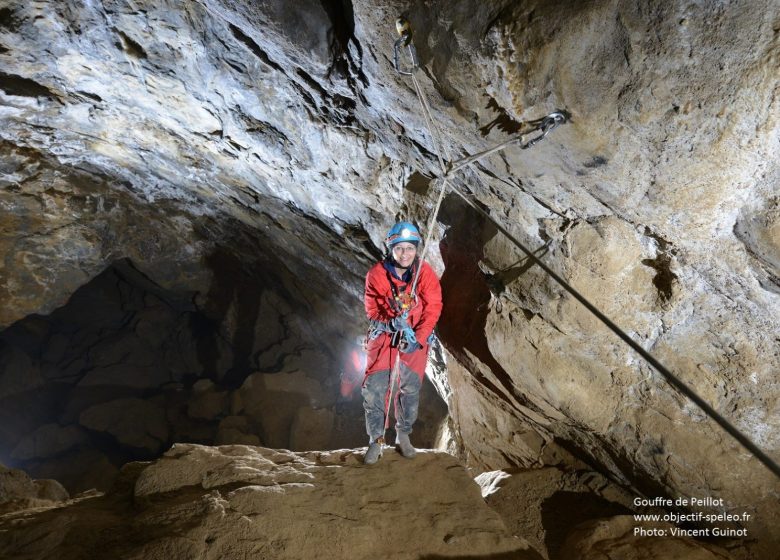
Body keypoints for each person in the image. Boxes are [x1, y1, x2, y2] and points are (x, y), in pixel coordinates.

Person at [361, 221, 443, 464]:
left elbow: (433, 307)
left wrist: (418, 338)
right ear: (391, 249)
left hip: (413, 336)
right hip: (385, 336)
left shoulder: (423, 273)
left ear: (416, 249)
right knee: (375, 388)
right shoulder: (376, 275)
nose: (404, 254)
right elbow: (371, 309)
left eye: (409, 248)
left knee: (410, 388)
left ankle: (403, 435)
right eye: (399, 249)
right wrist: (388, 323)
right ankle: (375, 439)